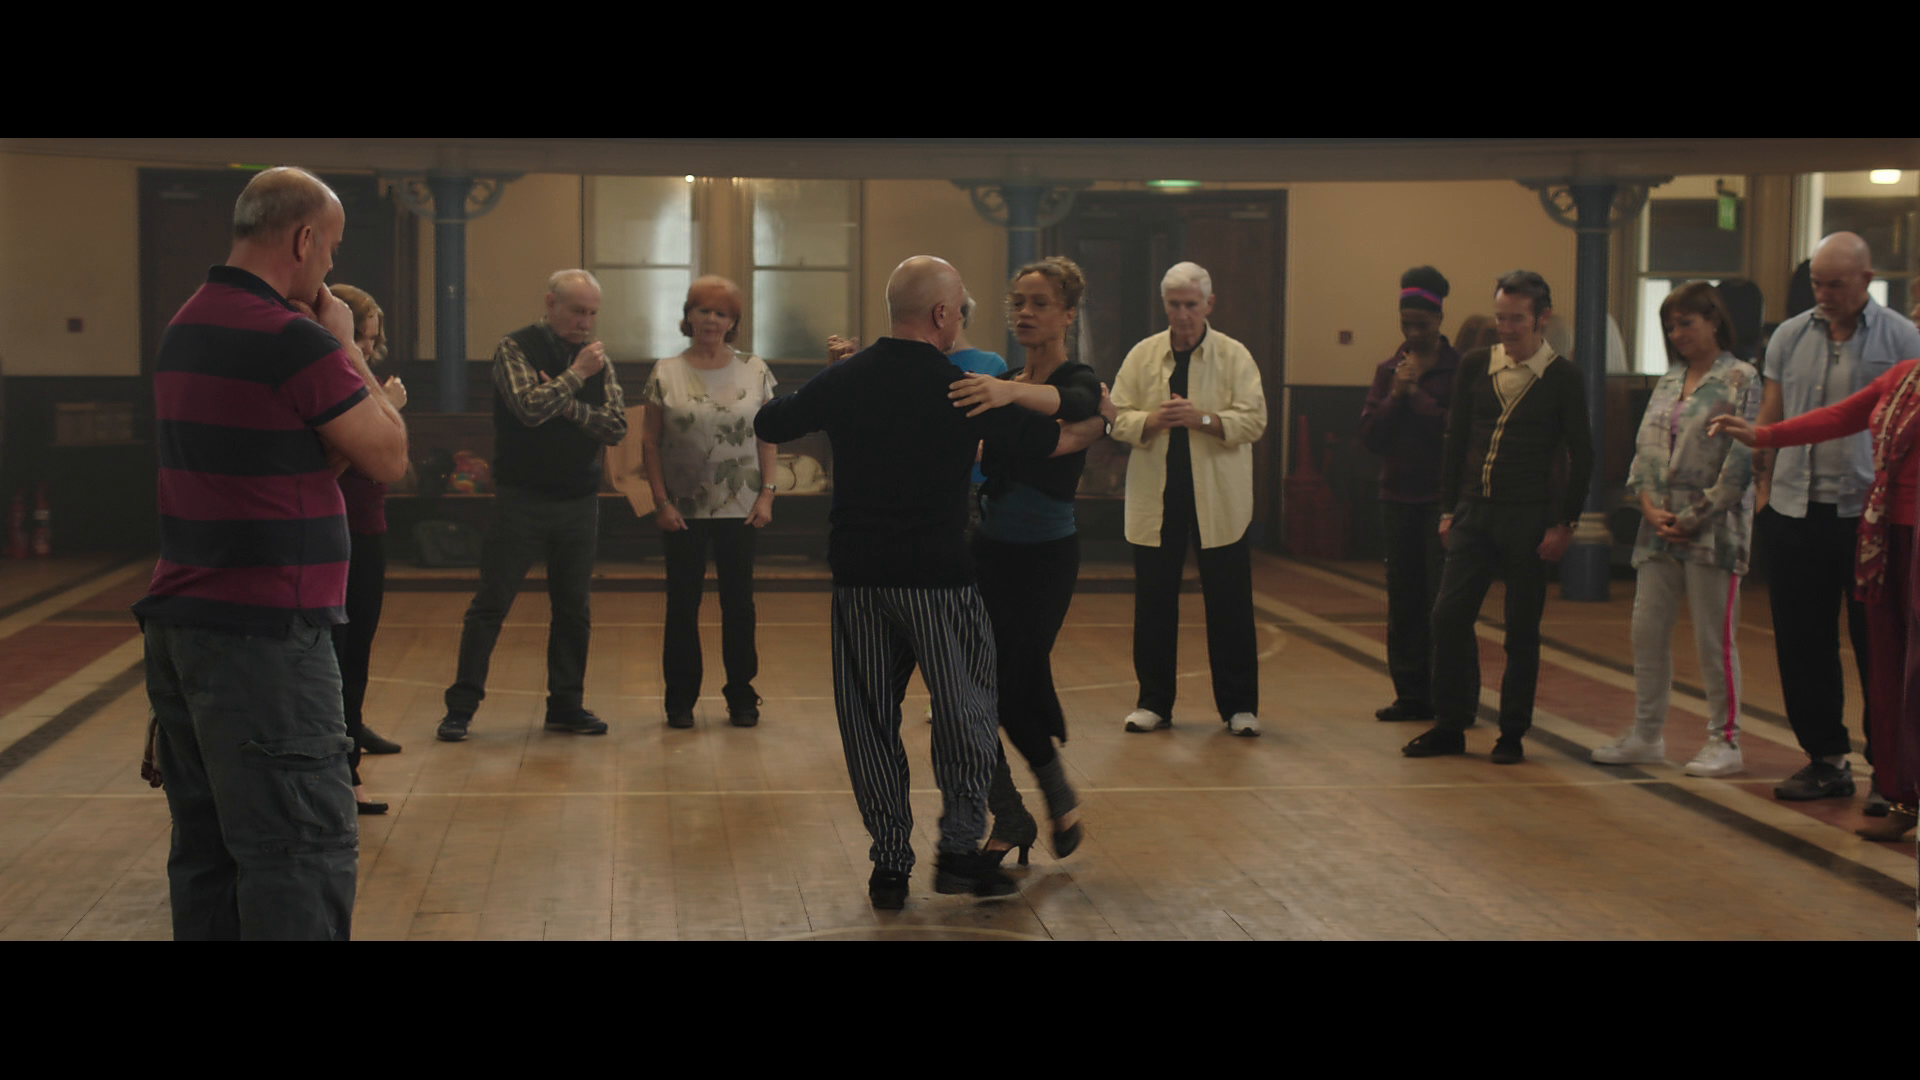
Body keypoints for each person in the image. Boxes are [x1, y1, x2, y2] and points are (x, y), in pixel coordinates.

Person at [753, 256, 1105, 910]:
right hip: (938, 581)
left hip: (858, 580)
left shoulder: (848, 378)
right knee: (967, 714)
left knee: (869, 723)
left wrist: (832, 382)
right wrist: (1075, 412)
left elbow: (770, 422)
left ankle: (890, 864)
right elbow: (1060, 426)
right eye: (959, 309)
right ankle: (959, 852)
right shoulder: (961, 388)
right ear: (943, 314)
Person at [133, 166, 409, 939]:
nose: (331, 265)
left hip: (185, 621)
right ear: (304, 238)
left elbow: (276, 465)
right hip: (266, 636)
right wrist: (346, 343)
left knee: (211, 853)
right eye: (332, 249)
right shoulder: (292, 338)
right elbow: (389, 455)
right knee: (300, 850)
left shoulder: (188, 322)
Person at [946, 256, 1114, 865]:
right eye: (1018, 302)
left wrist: (1010, 394)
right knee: (963, 691)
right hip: (988, 551)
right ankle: (1011, 811)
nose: (1025, 313)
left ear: (1068, 314)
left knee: (1014, 684)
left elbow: (1080, 400)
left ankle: (1055, 794)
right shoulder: (1009, 380)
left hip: (1045, 560)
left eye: (1040, 303)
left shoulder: (1074, 379)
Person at [1713, 354, 1920, 841]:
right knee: (1893, 667)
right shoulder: (1904, 375)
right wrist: (1764, 435)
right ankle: (1902, 793)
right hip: (1890, 534)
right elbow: (1841, 416)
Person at [1751, 233, 1920, 806]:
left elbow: (1859, 418)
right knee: (1802, 641)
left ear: (1866, 280)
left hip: (1868, 518)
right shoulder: (1789, 335)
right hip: (1795, 510)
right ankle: (1825, 759)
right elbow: (1773, 411)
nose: (1824, 294)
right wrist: (1763, 491)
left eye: (1836, 284)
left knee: (1878, 645)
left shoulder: (1901, 336)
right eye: (1817, 283)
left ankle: (1888, 772)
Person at [1402, 270, 1594, 765]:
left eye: (1516, 320)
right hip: (1473, 511)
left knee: (1521, 629)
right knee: (1447, 616)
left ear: (1541, 319)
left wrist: (1565, 523)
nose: (1506, 329)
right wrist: (1448, 510)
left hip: (1528, 517)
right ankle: (1450, 724)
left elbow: (1582, 454)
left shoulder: (1563, 378)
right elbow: (1456, 440)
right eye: (1501, 318)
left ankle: (1512, 732)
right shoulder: (1475, 365)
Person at [436, 270, 628, 742]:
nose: (586, 322)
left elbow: (616, 427)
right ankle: (461, 707)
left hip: (578, 500)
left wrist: (566, 402)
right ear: (551, 303)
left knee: (573, 610)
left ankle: (566, 705)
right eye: (578, 311)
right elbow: (527, 408)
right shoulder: (516, 347)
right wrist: (576, 377)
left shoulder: (598, 358)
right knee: (491, 603)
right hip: (521, 498)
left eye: (593, 313)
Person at [1592, 283, 1759, 777]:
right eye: (1670, 326)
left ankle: (1725, 740)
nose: (1677, 333)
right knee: (1646, 632)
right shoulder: (1669, 381)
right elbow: (1645, 449)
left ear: (1714, 321)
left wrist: (1696, 515)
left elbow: (1742, 460)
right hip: (1659, 528)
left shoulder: (1742, 378)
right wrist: (1648, 505)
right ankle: (1646, 734)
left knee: (1713, 640)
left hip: (1714, 529)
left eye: (1686, 322)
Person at [1110, 261, 1269, 737]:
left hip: (1218, 499)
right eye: (1174, 305)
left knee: (1230, 603)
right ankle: (1153, 702)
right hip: (1157, 497)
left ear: (1209, 305)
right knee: (1154, 602)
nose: (1182, 314)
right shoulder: (1143, 355)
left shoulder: (1234, 355)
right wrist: (1151, 421)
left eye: (1191, 305)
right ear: (1165, 305)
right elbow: (1115, 417)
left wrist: (1201, 419)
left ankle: (1240, 707)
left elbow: (1254, 421)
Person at [640, 277, 777, 730]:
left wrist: (768, 493)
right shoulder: (665, 371)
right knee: (683, 605)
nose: (711, 320)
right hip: (682, 509)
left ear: (733, 322)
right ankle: (680, 700)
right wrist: (660, 501)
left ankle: (742, 696)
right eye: (703, 311)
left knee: (739, 605)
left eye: (721, 313)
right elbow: (650, 442)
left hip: (743, 506)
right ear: (688, 316)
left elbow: (768, 435)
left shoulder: (755, 369)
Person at [1359, 266, 1461, 726]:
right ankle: (1410, 694)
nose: (1414, 332)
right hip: (1397, 499)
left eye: (1423, 323)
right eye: (1407, 324)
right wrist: (1395, 396)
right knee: (1403, 600)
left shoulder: (1459, 369)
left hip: (1441, 500)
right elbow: (1369, 436)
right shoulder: (1388, 371)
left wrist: (1416, 396)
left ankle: (1450, 695)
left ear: (1439, 319)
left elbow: (1455, 431)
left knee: (1443, 602)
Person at [327, 284, 407, 816]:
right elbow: (351, 455)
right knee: (339, 654)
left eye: (373, 339)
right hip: (336, 531)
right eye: (359, 336)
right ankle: (345, 767)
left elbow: (391, 461)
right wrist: (388, 407)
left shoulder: (366, 380)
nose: (368, 348)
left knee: (358, 649)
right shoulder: (331, 381)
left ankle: (352, 731)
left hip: (369, 527)